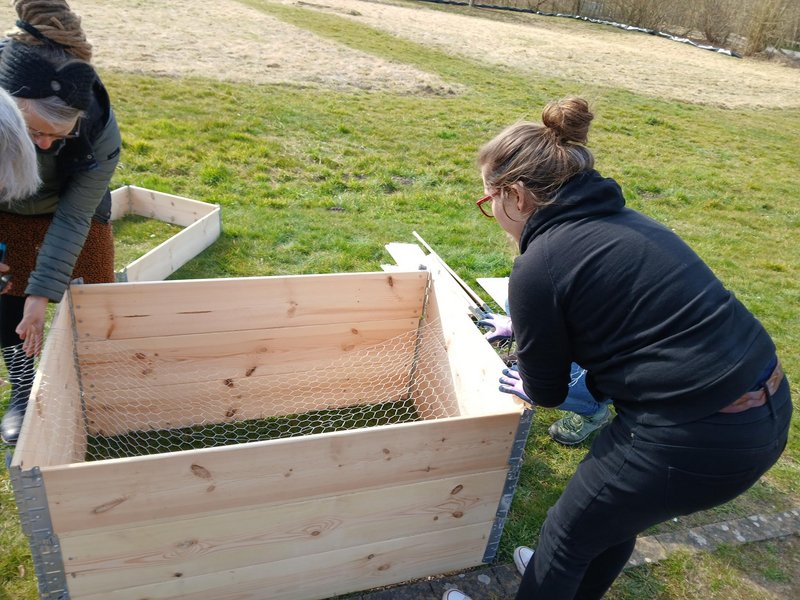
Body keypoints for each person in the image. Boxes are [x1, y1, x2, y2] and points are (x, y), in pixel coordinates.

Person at [444, 97, 791, 600]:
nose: (491, 210)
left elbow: (546, 390)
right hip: (766, 410)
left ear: (515, 196)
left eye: (488, 200)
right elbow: (618, 308)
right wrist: (527, 322)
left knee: (564, 539)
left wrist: (532, 345)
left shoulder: (539, 265)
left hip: (692, 435)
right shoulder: (626, 224)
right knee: (610, 517)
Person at [0, 0, 121, 445]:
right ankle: (23, 390)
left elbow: (74, 215)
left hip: (72, 208)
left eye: (60, 135)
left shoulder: (99, 125)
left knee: (95, 297)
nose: (47, 145)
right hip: (7, 208)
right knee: (5, 298)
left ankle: (93, 388)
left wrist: (42, 293)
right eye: (35, 133)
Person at [479, 311, 612, 445]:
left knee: (556, 383)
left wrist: (539, 389)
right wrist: (516, 326)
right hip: (591, 338)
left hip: (613, 369)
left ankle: (594, 413)